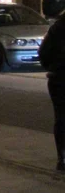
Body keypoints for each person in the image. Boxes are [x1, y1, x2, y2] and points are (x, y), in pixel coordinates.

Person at [40, 15, 65, 172]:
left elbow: (44, 54)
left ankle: (62, 158)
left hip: (59, 78)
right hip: (60, 78)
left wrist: (54, 68)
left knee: (61, 118)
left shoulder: (57, 27)